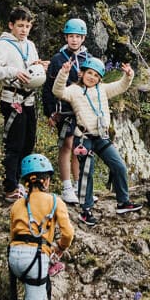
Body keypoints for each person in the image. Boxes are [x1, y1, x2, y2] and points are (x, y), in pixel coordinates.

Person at [6, 153, 75, 300]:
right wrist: (57, 249)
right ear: (45, 181)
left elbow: (13, 232)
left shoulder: (17, 204)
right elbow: (68, 234)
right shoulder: (55, 201)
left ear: (27, 181)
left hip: (15, 257)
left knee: (32, 299)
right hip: (36, 256)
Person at [52, 55, 139, 223]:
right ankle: (86, 210)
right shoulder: (74, 90)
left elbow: (121, 86)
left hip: (101, 136)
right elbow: (58, 91)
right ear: (82, 73)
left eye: (96, 75)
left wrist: (128, 75)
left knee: (119, 166)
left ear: (100, 78)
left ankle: (123, 201)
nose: (92, 77)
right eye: (89, 73)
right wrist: (63, 73)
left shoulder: (102, 89)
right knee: (87, 173)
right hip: (84, 138)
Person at [0, 7, 49, 201]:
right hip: (12, 99)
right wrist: (13, 72)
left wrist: (38, 66)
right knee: (14, 144)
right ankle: (10, 187)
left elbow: (29, 69)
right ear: (11, 25)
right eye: (20, 25)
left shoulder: (30, 45)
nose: (24, 30)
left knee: (28, 142)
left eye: (27, 26)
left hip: (29, 99)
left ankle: (20, 181)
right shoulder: (2, 46)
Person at [46, 18, 95, 206]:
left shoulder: (88, 59)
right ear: (66, 37)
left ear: (83, 38)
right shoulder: (58, 59)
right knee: (66, 146)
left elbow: (94, 86)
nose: (74, 40)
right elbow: (48, 87)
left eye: (78, 37)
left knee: (79, 149)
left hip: (82, 111)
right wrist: (50, 112)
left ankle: (78, 186)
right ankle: (66, 187)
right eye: (71, 36)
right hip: (64, 110)